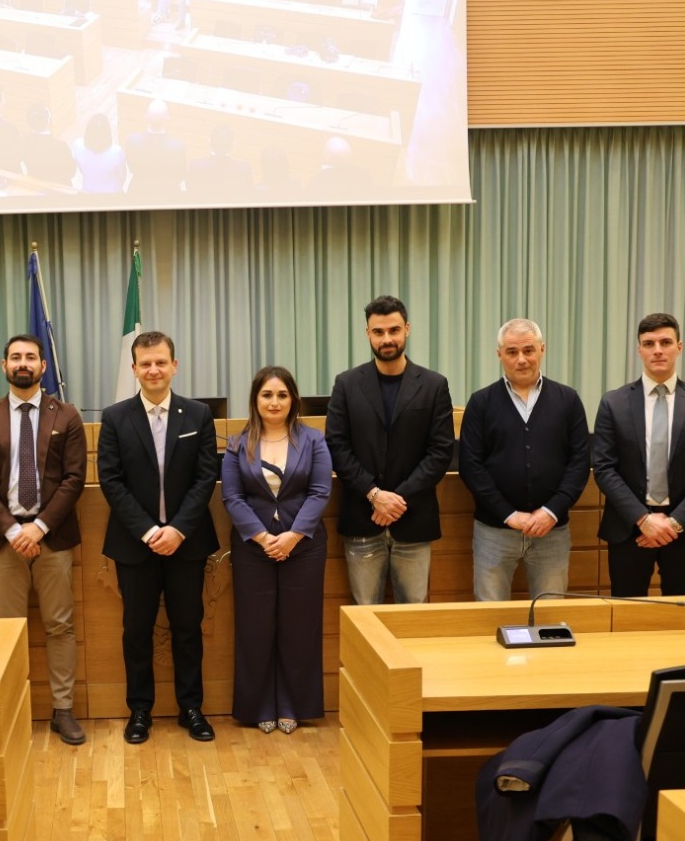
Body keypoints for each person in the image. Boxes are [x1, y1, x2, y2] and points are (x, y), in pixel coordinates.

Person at [97, 331, 220, 744]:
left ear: (174, 366)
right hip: (136, 544)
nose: (153, 370)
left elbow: (206, 477)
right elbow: (111, 480)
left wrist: (178, 529)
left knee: (188, 627)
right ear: (134, 369)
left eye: (161, 362)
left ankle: (192, 708)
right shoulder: (115, 417)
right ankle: (140, 711)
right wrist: (150, 531)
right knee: (136, 630)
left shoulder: (198, 415)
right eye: (145, 364)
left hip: (187, 542)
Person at [0, 335, 89, 744]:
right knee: (9, 630)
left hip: (52, 537)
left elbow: (74, 478)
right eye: (16, 357)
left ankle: (63, 710)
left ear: (43, 366)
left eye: (31, 357)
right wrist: (13, 529)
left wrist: (40, 527)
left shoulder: (66, 415)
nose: (23, 363)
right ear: (4, 365)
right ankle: (13, 711)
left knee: (60, 625)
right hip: (5, 540)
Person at [222, 366, 331, 734]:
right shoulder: (238, 444)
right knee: (255, 628)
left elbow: (320, 492)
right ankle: (259, 706)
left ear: (293, 400)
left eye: (282, 395)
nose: (274, 402)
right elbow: (232, 497)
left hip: (304, 547)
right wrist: (262, 537)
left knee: (299, 628)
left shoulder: (313, 440)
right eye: (267, 395)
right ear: (255, 399)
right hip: (253, 549)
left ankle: (293, 705)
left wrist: (293, 536)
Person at [325, 296, 455, 605]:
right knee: (365, 616)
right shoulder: (346, 384)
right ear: (367, 333)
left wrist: (396, 500)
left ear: (407, 329)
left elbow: (440, 451)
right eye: (378, 332)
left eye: (394, 330)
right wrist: (374, 495)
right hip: (362, 518)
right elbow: (337, 447)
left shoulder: (434, 385)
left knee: (413, 617)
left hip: (414, 520)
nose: (387, 339)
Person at [591, 313, 685, 597]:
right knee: (628, 614)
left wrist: (673, 524)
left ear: (679, 347)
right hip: (629, 529)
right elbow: (604, 468)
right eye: (649, 343)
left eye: (665, 342)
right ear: (639, 350)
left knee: (682, 616)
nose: (657, 350)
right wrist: (644, 520)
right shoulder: (613, 402)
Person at [458, 319, 591, 602]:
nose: (521, 359)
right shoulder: (481, 403)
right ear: (499, 354)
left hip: (552, 531)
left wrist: (551, 512)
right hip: (494, 531)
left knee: (550, 614)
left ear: (542, 350)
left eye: (528, 350)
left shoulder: (568, 400)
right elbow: (471, 466)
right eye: (512, 352)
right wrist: (509, 514)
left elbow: (579, 462)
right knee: (490, 613)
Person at [125, 100, 187, 200]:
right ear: (167, 118)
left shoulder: (132, 140)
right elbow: (181, 175)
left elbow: (131, 167)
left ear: (146, 117)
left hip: (138, 194)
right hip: (168, 196)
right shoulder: (178, 146)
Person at [20, 105, 77, 187]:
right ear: (48, 121)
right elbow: (71, 172)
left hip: (36, 187)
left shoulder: (24, 143)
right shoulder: (61, 147)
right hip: (59, 188)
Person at [72, 113, 127, 194]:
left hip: (88, 193)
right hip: (113, 194)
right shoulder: (116, 152)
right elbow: (122, 176)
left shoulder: (77, 145)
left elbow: (81, 170)